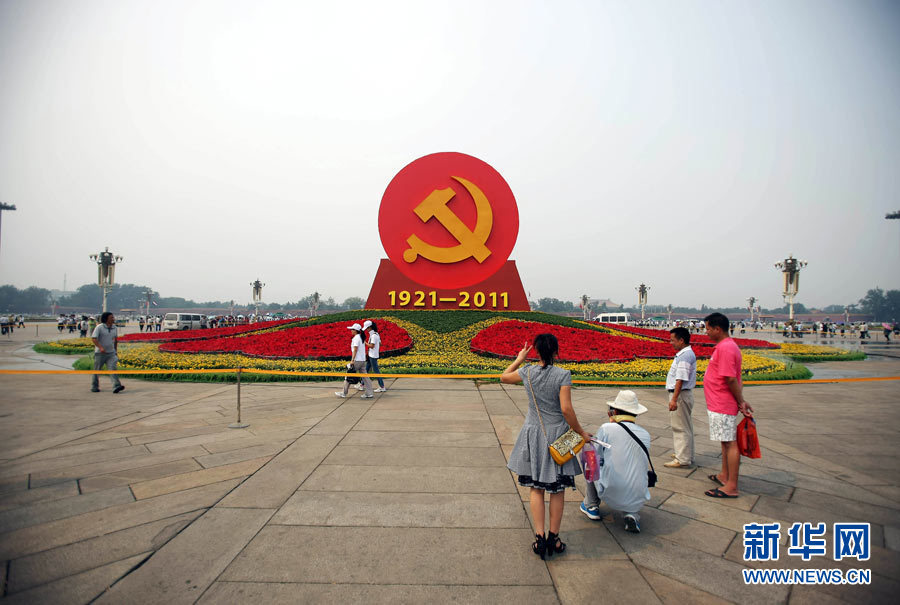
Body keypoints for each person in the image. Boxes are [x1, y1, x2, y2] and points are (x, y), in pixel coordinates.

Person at [503, 334, 590, 559]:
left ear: (537, 351)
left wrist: (520, 358)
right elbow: (566, 410)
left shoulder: (528, 372)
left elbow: (503, 377)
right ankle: (554, 538)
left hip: (533, 433)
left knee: (536, 488)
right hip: (557, 436)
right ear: (555, 351)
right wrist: (580, 432)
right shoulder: (563, 374)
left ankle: (539, 538)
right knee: (557, 489)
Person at [580, 390, 652, 533]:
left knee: (589, 452)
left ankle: (591, 504)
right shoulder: (645, 434)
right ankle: (631, 514)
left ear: (615, 411)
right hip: (639, 496)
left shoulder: (607, 428)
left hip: (610, 489)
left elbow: (597, 456)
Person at [702, 312, 753, 498]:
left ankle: (731, 486)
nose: (705, 332)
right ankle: (725, 475)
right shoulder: (724, 347)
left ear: (717, 329)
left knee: (731, 443)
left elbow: (731, 379)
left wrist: (741, 402)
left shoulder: (726, 348)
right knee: (725, 441)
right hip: (718, 402)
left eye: (708, 328)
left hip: (723, 403)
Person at [664, 327, 696, 468]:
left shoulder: (684, 356)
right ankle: (686, 453)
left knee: (680, 427)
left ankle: (682, 458)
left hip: (681, 395)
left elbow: (680, 380)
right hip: (684, 394)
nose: (671, 343)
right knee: (686, 426)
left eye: (673, 340)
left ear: (681, 340)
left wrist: (674, 399)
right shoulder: (686, 354)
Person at [335, 323, 373, 399]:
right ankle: (369, 393)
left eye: (352, 329)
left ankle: (343, 393)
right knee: (365, 377)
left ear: (355, 330)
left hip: (357, 360)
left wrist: (352, 360)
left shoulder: (356, 338)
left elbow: (355, 350)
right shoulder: (361, 338)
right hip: (362, 360)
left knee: (348, 375)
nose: (351, 331)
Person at [91, 312, 124, 394]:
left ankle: (116, 386)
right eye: (111, 318)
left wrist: (115, 351)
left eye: (113, 317)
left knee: (113, 368)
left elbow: (115, 340)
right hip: (100, 353)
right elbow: (94, 338)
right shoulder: (99, 327)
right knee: (97, 370)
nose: (113, 319)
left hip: (111, 353)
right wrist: (101, 347)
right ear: (106, 319)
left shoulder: (114, 327)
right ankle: (94, 386)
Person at [363, 320, 387, 393]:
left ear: (370, 327)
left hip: (373, 356)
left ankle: (382, 386)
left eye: (367, 328)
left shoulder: (373, 336)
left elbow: (372, 346)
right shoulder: (376, 334)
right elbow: (380, 343)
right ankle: (361, 384)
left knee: (376, 371)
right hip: (373, 355)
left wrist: (365, 343)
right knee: (366, 370)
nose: (366, 330)